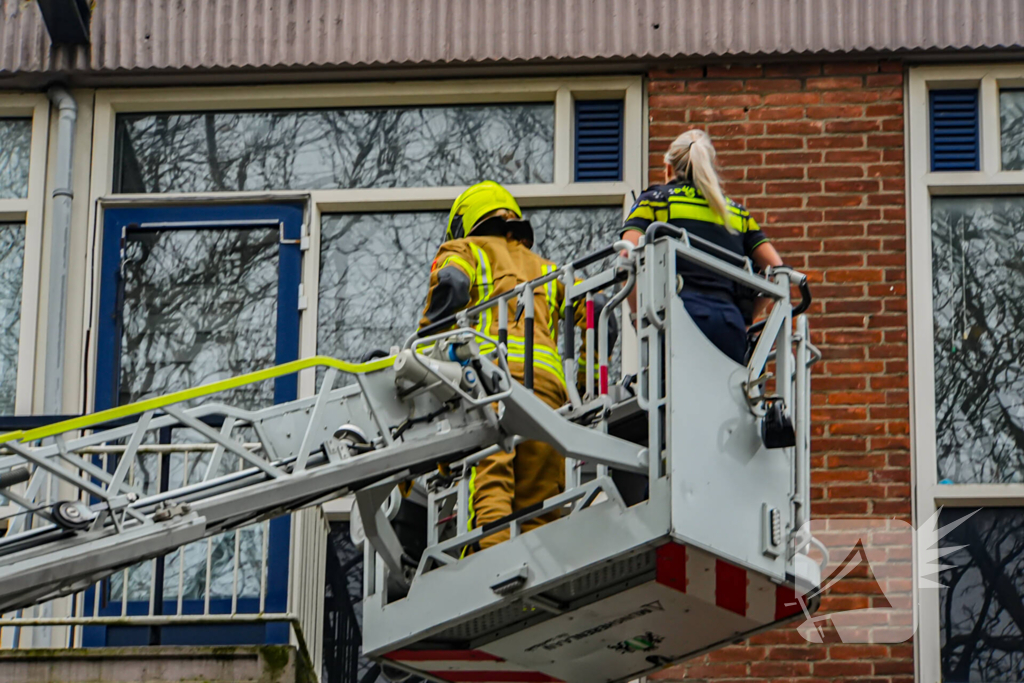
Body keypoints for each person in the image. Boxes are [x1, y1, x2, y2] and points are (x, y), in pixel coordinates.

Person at [419, 181, 609, 551]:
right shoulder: (552, 270)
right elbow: (600, 311)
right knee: (539, 497)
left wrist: (425, 351)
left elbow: (452, 283)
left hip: (493, 380)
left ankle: (494, 567)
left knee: (492, 477)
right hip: (551, 390)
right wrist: (583, 380)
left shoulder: (465, 249)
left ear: (465, 222)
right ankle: (533, 591)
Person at [620, 129, 784, 364]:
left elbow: (628, 256)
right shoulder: (735, 212)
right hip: (730, 326)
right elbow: (777, 272)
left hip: (679, 319)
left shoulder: (656, 199)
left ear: (668, 168)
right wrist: (745, 317)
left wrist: (639, 321)